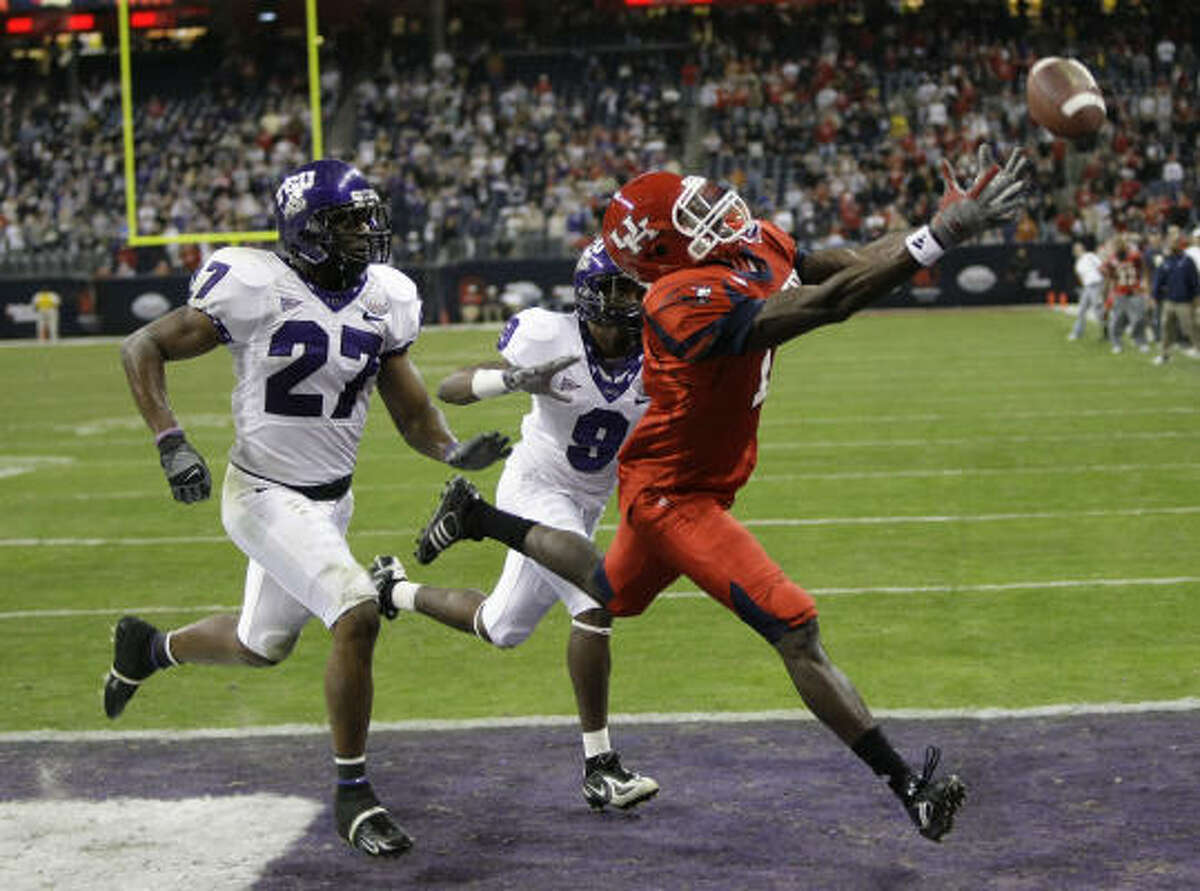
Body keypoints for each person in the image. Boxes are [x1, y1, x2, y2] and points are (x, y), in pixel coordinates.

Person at [409, 149, 1030, 843]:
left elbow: (840, 264)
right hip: (675, 494)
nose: (714, 214)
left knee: (611, 589)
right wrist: (937, 238)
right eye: (688, 219)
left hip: (685, 476)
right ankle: (908, 783)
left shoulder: (748, 242)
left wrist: (934, 225)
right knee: (791, 625)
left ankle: (478, 516)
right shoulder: (672, 304)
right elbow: (827, 304)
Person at [104, 159, 511, 858]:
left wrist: (449, 452)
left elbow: (410, 408)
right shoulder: (257, 286)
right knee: (355, 610)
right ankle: (353, 791)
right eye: (347, 221)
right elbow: (141, 343)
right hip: (261, 491)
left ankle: (147, 648)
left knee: (262, 645)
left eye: (364, 218)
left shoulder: (382, 297)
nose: (363, 232)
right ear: (309, 230)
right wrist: (171, 441)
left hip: (330, 502)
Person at [369, 237, 659, 811]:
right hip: (535, 485)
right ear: (589, 293)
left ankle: (393, 589)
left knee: (501, 627)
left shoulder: (663, 351)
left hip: (587, 500)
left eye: (637, 288)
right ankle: (600, 767)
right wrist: (512, 380)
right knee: (595, 599)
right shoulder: (550, 334)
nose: (630, 300)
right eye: (618, 287)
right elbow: (452, 387)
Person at [1150, 227, 1200, 365]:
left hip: (1185, 301)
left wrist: (1196, 297)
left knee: (1191, 327)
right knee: (1166, 328)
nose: (1173, 245)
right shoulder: (1165, 261)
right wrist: (1154, 296)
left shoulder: (1187, 261)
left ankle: (1198, 348)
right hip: (1169, 300)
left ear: (1180, 244)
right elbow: (1158, 280)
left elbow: (1195, 281)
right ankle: (1165, 355)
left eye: (1176, 242)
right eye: (1171, 242)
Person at [1103, 236, 1150, 354]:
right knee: (1117, 320)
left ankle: (1140, 341)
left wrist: (1144, 284)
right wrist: (1109, 295)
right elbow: (1110, 278)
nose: (1116, 248)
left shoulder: (1135, 256)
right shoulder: (1111, 260)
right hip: (1120, 293)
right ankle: (1117, 344)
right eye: (1115, 246)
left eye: (1118, 245)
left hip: (1135, 292)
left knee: (1139, 318)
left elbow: (1144, 270)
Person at [1069, 238, 1105, 342]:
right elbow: (1080, 278)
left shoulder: (1090, 256)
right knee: (1081, 310)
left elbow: (1101, 267)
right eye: (1075, 249)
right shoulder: (1077, 264)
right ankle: (1077, 333)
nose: (1077, 251)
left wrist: (1103, 283)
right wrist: (1084, 286)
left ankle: (1107, 332)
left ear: (1082, 248)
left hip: (1097, 284)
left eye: (1078, 248)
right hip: (1087, 287)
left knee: (1098, 311)